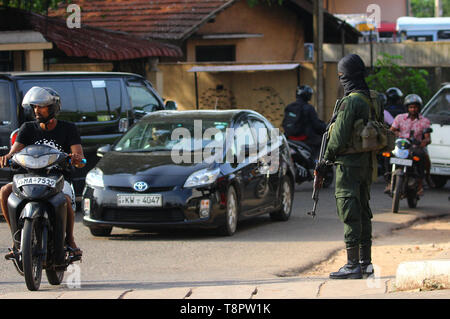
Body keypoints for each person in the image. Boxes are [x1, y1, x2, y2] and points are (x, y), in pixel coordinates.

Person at [0, 86, 85, 261]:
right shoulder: (27, 128)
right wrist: (7, 157)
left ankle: (70, 240)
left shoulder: (68, 129)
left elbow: (79, 155)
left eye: (41, 106)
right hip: (29, 177)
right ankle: (17, 240)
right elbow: (15, 151)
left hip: (57, 178)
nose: (37, 110)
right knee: (4, 192)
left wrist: (75, 158)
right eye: (35, 107)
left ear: (53, 108)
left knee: (66, 200)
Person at [317, 54, 377, 279]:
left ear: (348, 76)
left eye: (342, 76)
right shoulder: (372, 98)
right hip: (366, 164)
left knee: (350, 211)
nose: (341, 81)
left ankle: (353, 266)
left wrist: (325, 160)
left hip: (348, 165)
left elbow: (339, 137)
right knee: (363, 211)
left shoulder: (351, 101)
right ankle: (365, 263)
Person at [389, 94, 431, 196]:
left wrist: (423, 142)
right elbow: (391, 130)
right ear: (407, 108)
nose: (413, 109)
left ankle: (420, 185)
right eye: (411, 107)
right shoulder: (400, 118)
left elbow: (427, 138)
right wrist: (397, 134)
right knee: (387, 155)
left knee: (422, 157)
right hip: (400, 146)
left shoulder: (424, 121)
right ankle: (389, 181)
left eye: (415, 107)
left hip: (415, 148)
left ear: (419, 108)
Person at [282, 85, 326, 159]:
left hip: (289, 138)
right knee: (322, 142)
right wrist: (325, 127)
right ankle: (316, 163)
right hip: (305, 139)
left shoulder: (289, 107)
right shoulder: (309, 108)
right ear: (307, 95)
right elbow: (317, 125)